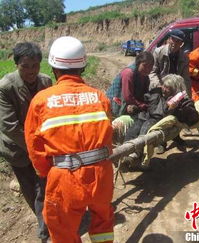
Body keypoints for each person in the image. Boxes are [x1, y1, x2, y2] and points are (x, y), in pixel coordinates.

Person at [24, 36, 114, 243]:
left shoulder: (41, 101)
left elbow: (34, 147)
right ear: (83, 66)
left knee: (62, 230)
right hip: (102, 172)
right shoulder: (99, 96)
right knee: (103, 221)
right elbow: (107, 137)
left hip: (65, 176)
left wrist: (50, 172)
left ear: (53, 67)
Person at [0, 42, 52, 242]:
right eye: (25, 66)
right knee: (30, 190)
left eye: (35, 66)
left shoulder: (46, 82)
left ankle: (45, 232)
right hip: (18, 150)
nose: (31, 71)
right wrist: (34, 148)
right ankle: (43, 223)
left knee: (44, 189)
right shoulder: (6, 87)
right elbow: (10, 127)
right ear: (16, 64)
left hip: (43, 147)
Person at [106, 51, 154, 118]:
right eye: (145, 65)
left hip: (128, 103)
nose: (148, 69)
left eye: (150, 66)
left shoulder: (145, 77)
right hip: (115, 104)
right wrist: (142, 105)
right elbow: (128, 97)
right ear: (138, 63)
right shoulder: (128, 73)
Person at [149, 29, 192, 98]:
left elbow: (186, 79)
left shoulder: (184, 58)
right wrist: (158, 86)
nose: (174, 43)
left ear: (181, 43)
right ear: (169, 39)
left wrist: (188, 96)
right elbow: (152, 72)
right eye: (173, 39)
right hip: (160, 86)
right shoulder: (158, 52)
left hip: (175, 90)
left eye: (178, 41)